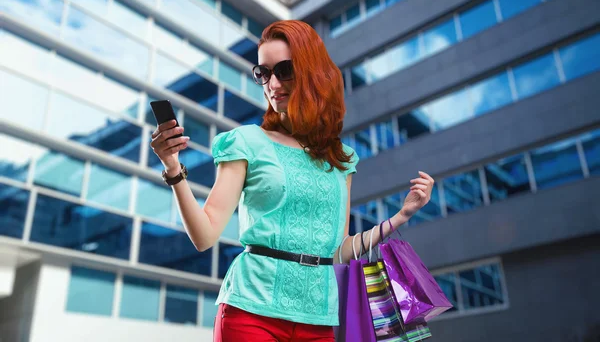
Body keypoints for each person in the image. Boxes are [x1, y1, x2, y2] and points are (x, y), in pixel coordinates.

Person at [150, 20, 434, 342]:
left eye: (284, 70)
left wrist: (402, 216)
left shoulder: (340, 160)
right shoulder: (247, 141)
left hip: (318, 319)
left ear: (312, 72)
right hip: (250, 312)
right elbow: (204, 236)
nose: (272, 84)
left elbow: (338, 251)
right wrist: (173, 168)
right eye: (263, 73)